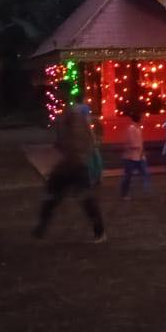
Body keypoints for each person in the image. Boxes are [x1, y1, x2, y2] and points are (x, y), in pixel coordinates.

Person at [34, 103, 107, 243]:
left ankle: (100, 231)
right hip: (69, 166)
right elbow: (66, 144)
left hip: (76, 166)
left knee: (85, 199)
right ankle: (42, 225)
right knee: (54, 195)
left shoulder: (77, 123)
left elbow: (84, 144)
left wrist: (81, 157)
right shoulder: (69, 123)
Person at [120, 110, 151, 199]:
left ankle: (146, 191)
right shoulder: (132, 129)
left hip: (138, 156)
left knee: (143, 173)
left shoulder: (137, 128)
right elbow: (133, 143)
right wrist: (139, 149)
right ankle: (124, 193)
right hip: (131, 156)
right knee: (128, 176)